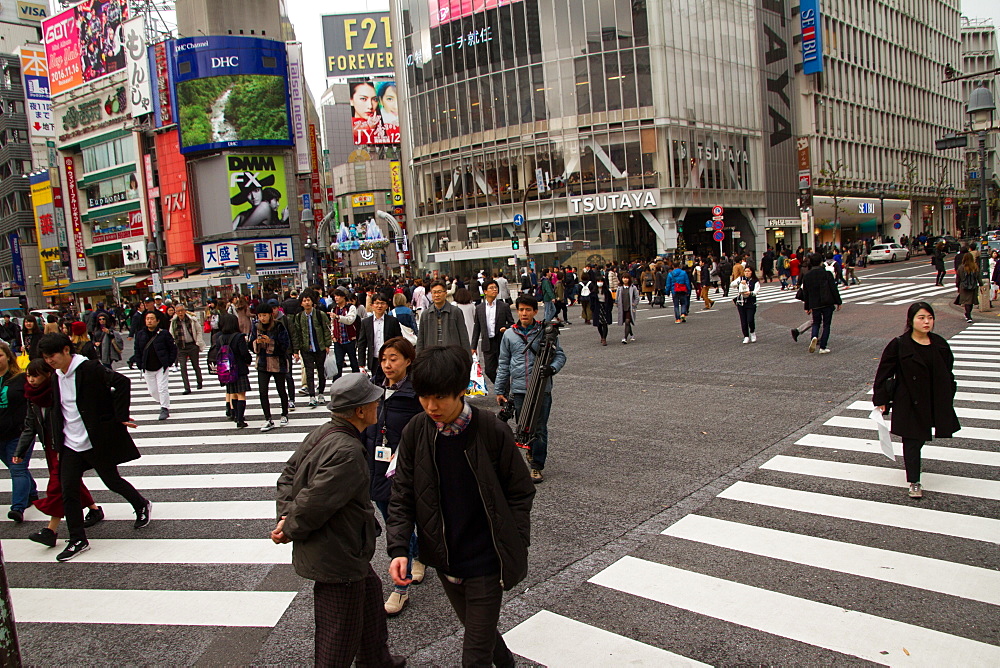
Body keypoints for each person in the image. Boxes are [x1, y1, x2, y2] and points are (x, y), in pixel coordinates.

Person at [387, 345, 535, 667]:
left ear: (459, 391)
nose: (431, 406)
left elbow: (520, 492)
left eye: (439, 397)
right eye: (424, 397)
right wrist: (399, 548)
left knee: (474, 656)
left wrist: (515, 541)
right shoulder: (416, 432)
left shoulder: (491, 431)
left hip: (485, 560)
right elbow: (402, 495)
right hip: (445, 560)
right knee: (479, 632)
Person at [273, 373, 403, 668]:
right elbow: (314, 503)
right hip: (338, 553)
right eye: (373, 401)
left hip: (340, 545)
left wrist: (284, 515)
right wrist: (289, 526)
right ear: (359, 411)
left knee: (370, 597)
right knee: (338, 637)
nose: (377, 404)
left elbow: (288, 476)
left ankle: (376, 660)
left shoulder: (323, 432)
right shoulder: (347, 452)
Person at [37, 333, 151, 561]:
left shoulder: (88, 368)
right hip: (70, 442)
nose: (49, 361)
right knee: (68, 489)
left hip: (94, 439)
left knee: (111, 480)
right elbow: (58, 410)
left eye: (53, 356)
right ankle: (77, 539)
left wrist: (119, 416)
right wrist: (57, 443)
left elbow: (121, 382)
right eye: (46, 357)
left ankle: (141, 504)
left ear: (67, 350)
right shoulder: (56, 375)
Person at [872, 303, 960, 499]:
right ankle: (914, 481)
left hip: (933, 398)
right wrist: (881, 399)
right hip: (908, 399)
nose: (926, 322)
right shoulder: (899, 344)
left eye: (929, 317)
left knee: (919, 438)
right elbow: (884, 373)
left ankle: (913, 466)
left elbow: (948, 370)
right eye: (921, 318)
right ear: (911, 321)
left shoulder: (939, 344)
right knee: (912, 439)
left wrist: (949, 392)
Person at [363, 337, 424, 615]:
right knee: (393, 522)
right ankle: (417, 555)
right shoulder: (375, 391)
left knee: (400, 525)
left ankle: (401, 588)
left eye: (394, 359)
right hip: (378, 470)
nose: (387, 364)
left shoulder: (417, 394)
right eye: (384, 359)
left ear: (408, 361)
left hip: (406, 470)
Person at [14, 359, 104, 546]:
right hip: (50, 446)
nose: (31, 379)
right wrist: (20, 450)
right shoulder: (33, 397)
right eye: (28, 375)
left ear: (48, 374)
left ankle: (50, 530)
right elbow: (30, 426)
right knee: (69, 482)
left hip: (65, 444)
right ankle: (94, 509)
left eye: (35, 375)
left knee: (58, 486)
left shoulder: (59, 391)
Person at [495, 296, 567, 483]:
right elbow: (503, 363)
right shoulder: (509, 335)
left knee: (540, 428)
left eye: (528, 310)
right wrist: (499, 390)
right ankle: (530, 451)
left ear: (535, 311)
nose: (524, 313)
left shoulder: (545, 332)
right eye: (521, 310)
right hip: (519, 390)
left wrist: (552, 369)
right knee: (523, 427)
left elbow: (559, 355)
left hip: (542, 388)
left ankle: (536, 466)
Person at [0, 341, 32, 522]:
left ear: (8, 357)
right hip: (0, 435)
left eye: (0, 355)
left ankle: (18, 508)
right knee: (15, 467)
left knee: (18, 469)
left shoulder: (20, 378)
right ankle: (32, 492)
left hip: (19, 433)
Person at [249, 302, 291, 432]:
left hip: (278, 363)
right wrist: (257, 342)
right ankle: (268, 418)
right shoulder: (256, 327)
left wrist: (271, 342)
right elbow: (250, 345)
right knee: (263, 391)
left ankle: (284, 413)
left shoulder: (278, 325)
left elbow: (285, 345)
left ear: (270, 315)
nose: (262, 318)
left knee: (281, 389)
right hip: (262, 363)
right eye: (260, 315)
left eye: (264, 315)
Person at [288, 290, 331, 408]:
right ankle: (312, 396)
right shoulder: (299, 317)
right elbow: (296, 334)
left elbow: (326, 330)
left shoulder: (319, 314)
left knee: (321, 372)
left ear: (312, 302)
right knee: (309, 372)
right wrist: (296, 350)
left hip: (320, 347)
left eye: (308, 300)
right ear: (301, 303)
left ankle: (321, 393)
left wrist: (327, 344)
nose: (306, 303)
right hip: (306, 349)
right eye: (304, 301)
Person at [132, 311, 177, 421]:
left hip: (161, 366)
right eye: (147, 319)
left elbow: (172, 348)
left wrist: (169, 362)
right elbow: (137, 350)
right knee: (152, 391)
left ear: (157, 321)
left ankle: (164, 408)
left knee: (162, 388)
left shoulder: (164, 334)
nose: (150, 321)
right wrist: (139, 363)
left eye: (152, 318)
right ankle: (162, 401)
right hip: (147, 367)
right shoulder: (140, 334)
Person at [470, 280, 515, 385]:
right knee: (489, 371)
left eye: (496, 287)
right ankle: (500, 387)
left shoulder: (503, 306)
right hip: (487, 344)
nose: (494, 290)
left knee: (504, 370)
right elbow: (477, 327)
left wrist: (506, 328)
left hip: (501, 342)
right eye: (491, 288)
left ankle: (505, 394)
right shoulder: (479, 308)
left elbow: (512, 324)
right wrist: (473, 347)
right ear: (485, 291)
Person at [213, 313, 253, 428]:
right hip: (239, 368)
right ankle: (240, 420)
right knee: (241, 394)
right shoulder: (238, 337)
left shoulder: (220, 338)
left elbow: (217, 353)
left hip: (227, 370)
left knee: (233, 394)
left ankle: (235, 415)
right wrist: (248, 361)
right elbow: (244, 353)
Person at [798, 254, 843, 354]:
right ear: (820, 262)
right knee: (826, 324)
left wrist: (807, 306)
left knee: (816, 323)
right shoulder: (827, 274)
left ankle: (814, 336)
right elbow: (833, 288)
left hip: (814, 303)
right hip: (827, 302)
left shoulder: (807, 276)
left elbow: (806, 292)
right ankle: (823, 347)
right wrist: (838, 302)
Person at [358, 294, 402, 386]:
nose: (379, 306)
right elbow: (362, 343)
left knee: (390, 381)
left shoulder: (392, 321)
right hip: (374, 358)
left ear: (386, 306)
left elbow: (399, 340)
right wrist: (361, 363)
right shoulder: (366, 322)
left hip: (390, 358)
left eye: (382, 303)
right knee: (376, 382)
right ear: (372, 305)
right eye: (377, 303)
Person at [416, 281, 469, 351]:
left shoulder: (456, 312)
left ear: (445, 293)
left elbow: (463, 337)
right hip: (432, 356)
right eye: (434, 292)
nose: (437, 295)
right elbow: (420, 339)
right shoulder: (426, 315)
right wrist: (419, 359)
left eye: (439, 292)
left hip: (451, 355)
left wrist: (467, 359)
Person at [170, 303, 205, 395]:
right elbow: (171, 334)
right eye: (178, 311)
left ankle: (199, 381)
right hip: (181, 346)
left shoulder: (191, 320)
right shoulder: (174, 322)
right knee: (182, 367)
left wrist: (198, 343)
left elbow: (198, 331)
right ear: (176, 312)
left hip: (192, 345)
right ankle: (187, 387)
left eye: (182, 310)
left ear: (185, 311)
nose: (180, 313)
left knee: (195, 365)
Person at [330, 288, 361, 386]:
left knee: (353, 361)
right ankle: (336, 383)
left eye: (338, 296)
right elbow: (332, 324)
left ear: (344, 296)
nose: (336, 298)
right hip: (338, 340)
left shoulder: (350, 307)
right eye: (335, 296)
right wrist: (333, 335)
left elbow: (350, 320)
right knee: (338, 362)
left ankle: (357, 381)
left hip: (349, 339)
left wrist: (338, 317)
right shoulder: (334, 309)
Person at [731, 266, 761, 343]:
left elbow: (756, 291)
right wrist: (739, 282)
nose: (747, 273)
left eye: (748, 271)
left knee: (750, 319)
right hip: (741, 302)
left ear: (752, 272)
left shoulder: (755, 281)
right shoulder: (741, 279)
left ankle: (752, 332)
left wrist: (750, 293)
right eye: (745, 271)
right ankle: (746, 336)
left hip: (751, 302)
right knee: (743, 320)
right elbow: (732, 284)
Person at [955, 252, 982, 323]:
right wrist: (981, 284)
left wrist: (957, 286)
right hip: (973, 286)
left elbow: (958, 278)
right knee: (971, 302)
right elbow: (978, 277)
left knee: (967, 302)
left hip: (964, 286)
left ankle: (968, 315)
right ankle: (968, 314)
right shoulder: (975, 266)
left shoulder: (961, 267)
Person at [589, 276, 615, 346]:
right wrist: (592, 309)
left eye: (601, 281)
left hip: (605, 307)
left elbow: (610, 301)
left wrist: (610, 308)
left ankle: (604, 338)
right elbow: (591, 302)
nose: (600, 283)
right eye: (598, 281)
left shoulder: (607, 292)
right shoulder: (593, 292)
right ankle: (601, 335)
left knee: (605, 323)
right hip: (597, 308)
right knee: (599, 324)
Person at [616, 273, 639, 344]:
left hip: (630, 308)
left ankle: (625, 337)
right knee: (627, 322)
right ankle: (631, 334)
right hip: (622, 307)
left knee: (627, 321)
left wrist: (634, 304)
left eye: (626, 278)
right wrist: (617, 303)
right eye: (623, 278)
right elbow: (617, 298)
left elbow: (637, 297)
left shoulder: (633, 287)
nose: (625, 280)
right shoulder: (620, 288)